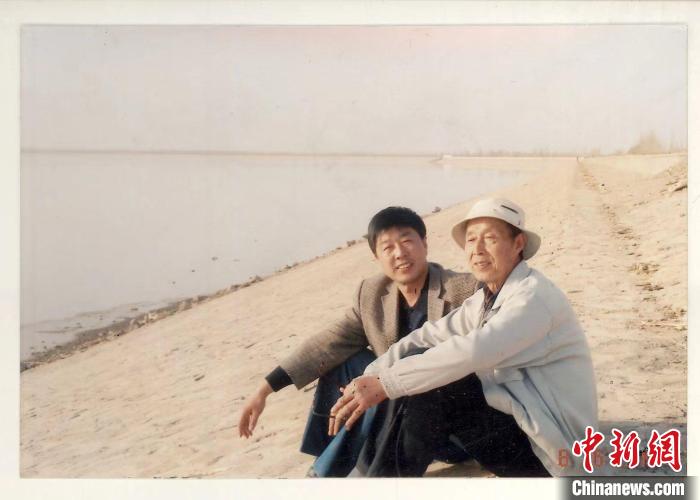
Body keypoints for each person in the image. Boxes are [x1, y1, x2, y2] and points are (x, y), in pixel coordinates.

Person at [330, 197, 598, 477]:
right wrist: (370, 376)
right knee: (411, 366)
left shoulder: (533, 298)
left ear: (518, 243)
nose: (477, 249)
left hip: (553, 450)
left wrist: (386, 383)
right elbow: (428, 336)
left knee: (433, 385)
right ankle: (372, 477)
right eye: (471, 240)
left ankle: (382, 484)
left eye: (490, 239)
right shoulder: (486, 298)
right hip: (523, 423)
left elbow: (472, 351)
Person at [238, 206, 479, 476]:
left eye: (407, 241)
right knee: (343, 361)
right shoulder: (372, 293)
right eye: (387, 247)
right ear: (376, 257)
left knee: (404, 365)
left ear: (424, 243)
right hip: (395, 420)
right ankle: (327, 456)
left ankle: (326, 473)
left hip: (450, 427)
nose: (400, 253)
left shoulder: (464, 289)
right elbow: (329, 342)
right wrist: (264, 390)